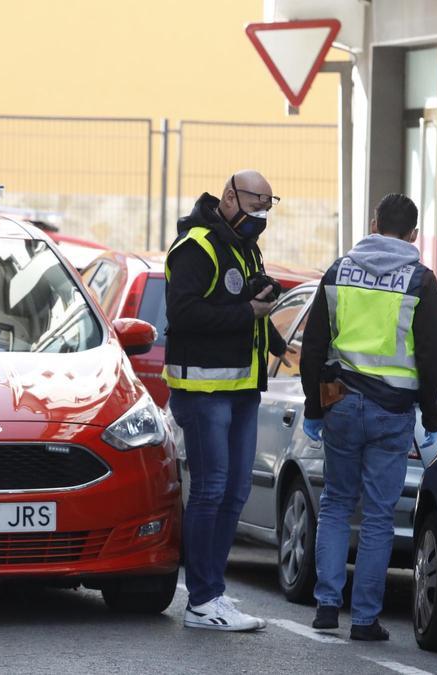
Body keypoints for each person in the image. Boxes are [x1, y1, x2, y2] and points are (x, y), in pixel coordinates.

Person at [299, 193, 437, 641]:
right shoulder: (420, 281)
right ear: (413, 235)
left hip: (341, 404)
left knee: (336, 504)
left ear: (373, 223)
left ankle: (327, 606)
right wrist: (434, 411)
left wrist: (313, 406)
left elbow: (312, 347)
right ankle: (364, 619)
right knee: (380, 516)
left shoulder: (338, 270)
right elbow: (433, 354)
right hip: (392, 411)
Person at [163, 170, 287, 632]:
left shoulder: (243, 245)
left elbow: (245, 307)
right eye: (255, 204)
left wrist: (274, 338)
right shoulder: (197, 245)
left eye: (268, 207)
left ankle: (213, 591)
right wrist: (246, 312)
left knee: (235, 492)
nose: (260, 215)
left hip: (240, 389)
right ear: (230, 196)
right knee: (212, 490)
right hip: (203, 390)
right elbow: (184, 312)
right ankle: (200, 600)